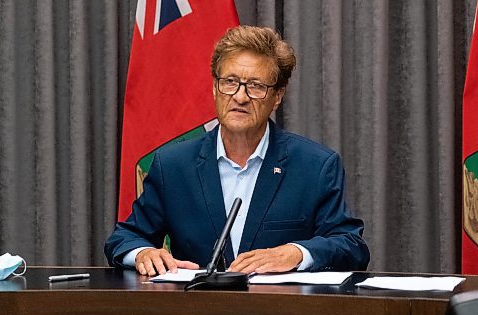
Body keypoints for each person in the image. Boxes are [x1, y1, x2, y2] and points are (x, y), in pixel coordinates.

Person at [105, 25, 370, 277]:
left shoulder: (315, 166)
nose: (240, 96)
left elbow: (351, 246)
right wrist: (143, 253)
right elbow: (124, 238)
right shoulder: (173, 165)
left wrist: (297, 253)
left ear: (277, 96)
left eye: (256, 86)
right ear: (214, 88)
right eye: (230, 81)